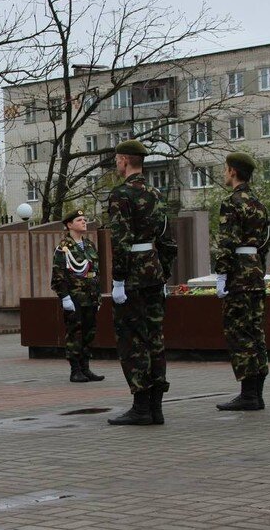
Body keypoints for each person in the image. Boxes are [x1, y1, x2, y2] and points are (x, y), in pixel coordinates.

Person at [106, 140, 177, 426]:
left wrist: (118, 280)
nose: (116, 164)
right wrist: (163, 273)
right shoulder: (156, 193)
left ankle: (141, 406)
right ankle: (156, 407)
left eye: (116, 160)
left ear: (124, 160)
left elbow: (120, 241)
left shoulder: (120, 194)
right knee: (155, 340)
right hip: (153, 272)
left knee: (133, 340)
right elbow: (167, 240)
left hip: (133, 275)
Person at [214, 152, 270, 411]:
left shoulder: (232, 202)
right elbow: (265, 243)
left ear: (233, 171)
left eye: (226, 169)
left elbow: (227, 241)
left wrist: (222, 274)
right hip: (255, 271)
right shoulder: (259, 204)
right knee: (255, 332)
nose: (225, 173)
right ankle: (256, 393)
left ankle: (248, 395)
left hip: (238, 273)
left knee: (239, 333)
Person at [51, 209, 105, 383]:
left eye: (84, 219)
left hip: (90, 296)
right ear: (69, 224)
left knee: (89, 332)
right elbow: (58, 276)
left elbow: (95, 272)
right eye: (80, 220)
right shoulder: (63, 248)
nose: (84, 222)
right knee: (75, 333)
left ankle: (85, 368)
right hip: (74, 297)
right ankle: (75, 370)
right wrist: (65, 297)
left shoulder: (89, 245)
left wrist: (98, 295)